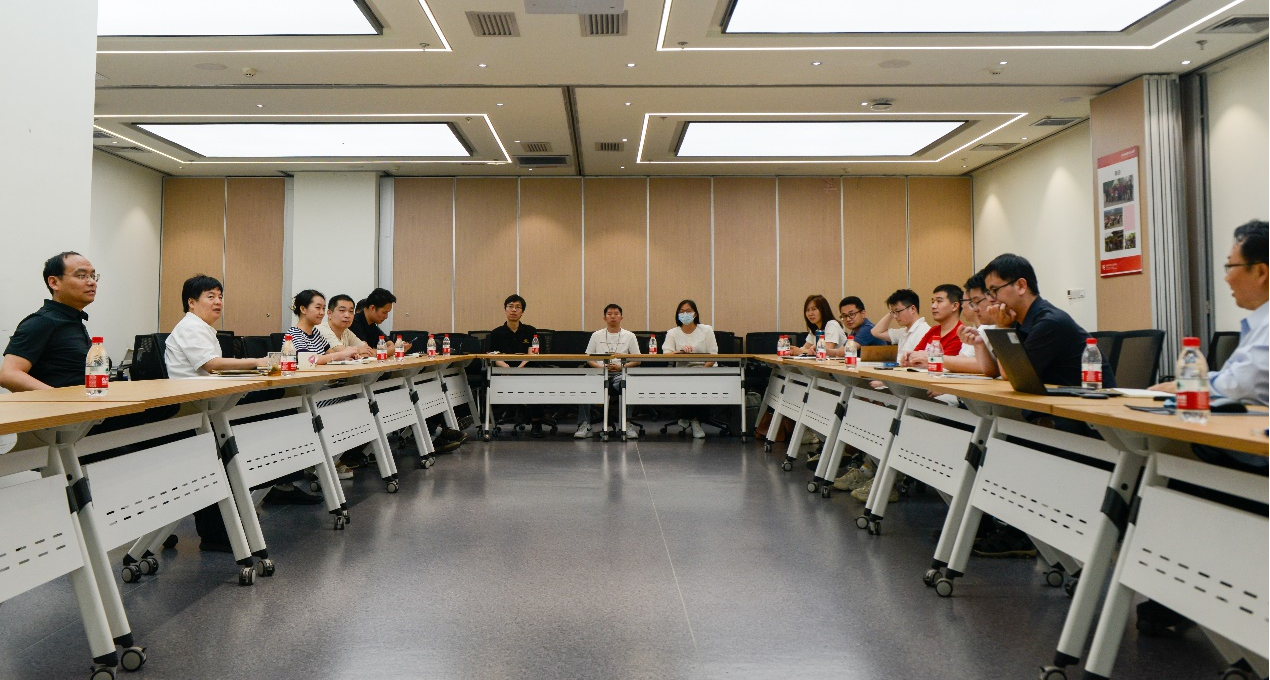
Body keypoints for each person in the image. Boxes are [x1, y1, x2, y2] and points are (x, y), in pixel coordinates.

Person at [961, 253, 1108, 387]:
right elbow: (994, 372)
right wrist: (980, 343)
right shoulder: (1018, 320)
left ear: (1021, 286)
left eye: (994, 291)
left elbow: (1011, 375)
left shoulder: (1049, 322)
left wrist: (1002, 327)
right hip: (1053, 399)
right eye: (988, 293)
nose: (991, 299)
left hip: (1087, 402)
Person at [1, 252, 97, 391]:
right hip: (62, 405)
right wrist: (59, 398)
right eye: (81, 276)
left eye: (93, 276)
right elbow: (9, 375)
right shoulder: (42, 322)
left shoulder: (74, 320)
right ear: (54, 282)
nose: (91, 282)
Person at [165, 274, 269, 378]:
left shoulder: (199, 326)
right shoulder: (189, 327)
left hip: (207, 385)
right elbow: (211, 365)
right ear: (191, 302)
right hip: (192, 387)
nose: (218, 302)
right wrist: (257, 362)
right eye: (211, 297)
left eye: (220, 297)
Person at [576, 303, 641, 440]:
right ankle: (585, 425)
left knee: (629, 383)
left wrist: (621, 367)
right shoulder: (596, 335)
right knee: (584, 383)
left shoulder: (630, 336)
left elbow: (637, 360)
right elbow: (588, 358)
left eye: (616, 314)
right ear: (604, 318)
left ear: (621, 317)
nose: (613, 317)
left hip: (620, 373)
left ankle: (626, 424)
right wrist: (599, 367)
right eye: (609, 314)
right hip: (599, 373)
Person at [489, 294, 545, 437]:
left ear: (522, 312)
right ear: (505, 310)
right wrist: (506, 368)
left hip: (525, 368)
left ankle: (536, 423)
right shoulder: (496, 333)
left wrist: (519, 369)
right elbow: (493, 356)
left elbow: (532, 353)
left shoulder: (530, 331)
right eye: (510, 307)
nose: (514, 310)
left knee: (538, 379)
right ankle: (494, 421)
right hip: (503, 370)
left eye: (518, 307)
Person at [662, 299, 718, 439]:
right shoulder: (672, 333)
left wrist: (702, 371)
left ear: (695, 314)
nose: (685, 314)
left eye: (688, 311)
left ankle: (688, 418)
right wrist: (680, 352)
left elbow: (713, 355)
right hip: (683, 371)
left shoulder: (706, 330)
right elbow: (666, 354)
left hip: (706, 369)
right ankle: (693, 420)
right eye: (681, 312)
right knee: (688, 383)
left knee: (697, 382)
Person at [902, 284, 969, 371]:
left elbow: (943, 365)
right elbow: (914, 357)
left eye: (939, 301)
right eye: (933, 302)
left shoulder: (960, 333)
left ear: (955, 306)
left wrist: (923, 360)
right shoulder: (933, 330)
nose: (933, 306)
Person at [286, 290, 360, 365]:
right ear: (303, 309)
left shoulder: (315, 332)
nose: (322, 313)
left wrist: (347, 357)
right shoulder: (294, 333)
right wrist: (341, 354)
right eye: (318, 307)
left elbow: (331, 354)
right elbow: (307, 360)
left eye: (323, 308)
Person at [869, 289, 931, 356]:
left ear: (912, 309)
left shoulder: (924, 332)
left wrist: (894, 311)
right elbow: (875, 332)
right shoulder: (904, 331)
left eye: (898, 311)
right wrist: (893, 312)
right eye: (893, 312)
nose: (895, 316)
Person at [350, 287, 410, 354]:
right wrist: (396, 349)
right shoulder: (354, 323)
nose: (386, 317)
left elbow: (389, 344)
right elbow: (367, 353)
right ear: (373, 308)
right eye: (384, 312)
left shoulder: (371, 324)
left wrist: (392, 348)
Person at [317, 294, 373, 359]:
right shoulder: (322, 330)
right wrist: (359, 350)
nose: (347, 315)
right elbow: (344, 353)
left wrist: (356, 354)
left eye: (351, 311)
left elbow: (369, 352)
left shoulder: (346, 331)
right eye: (342, 310)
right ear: (329, 313)